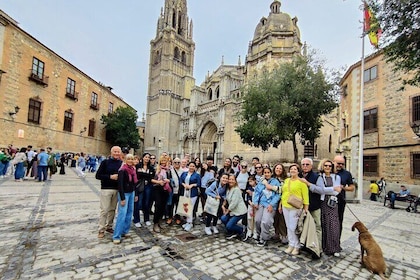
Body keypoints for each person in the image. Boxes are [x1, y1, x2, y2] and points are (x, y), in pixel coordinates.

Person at [280, 164, 309, 255]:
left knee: (293, 227)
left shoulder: (301, 182)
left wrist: (305, 209)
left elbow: (306, 197)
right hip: (285, 205)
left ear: (298, 171)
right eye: (291, 169)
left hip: (295, 207)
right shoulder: (287, 180)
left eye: (295, 169)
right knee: (288, 226)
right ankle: (291, 244)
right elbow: (283, 193)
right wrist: (280, 205)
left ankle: (297, 246)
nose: (293, 170)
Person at [316, 159, 342, 257]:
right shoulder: (320, 177)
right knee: (324, 224)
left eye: (329, 166)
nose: (327, 167)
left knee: (334, 225)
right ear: (322, 166)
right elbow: (321, 190)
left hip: (332, 203)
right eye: (326, 165)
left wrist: (328, 190)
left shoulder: (336, 177)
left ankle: (334, 247)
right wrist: (331, 189)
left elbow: (337, 191)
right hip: (323, 203)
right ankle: (325, 246)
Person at [95, 146, 123, 239]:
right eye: (115, 151)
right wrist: (110, 177)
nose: (116, 153)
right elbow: (98, 175)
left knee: (112, 210)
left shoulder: (121, 163)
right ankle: (101, 229)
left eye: (118, 152)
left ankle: (109, 226)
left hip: (117, 189)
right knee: (104, 210)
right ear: (111, 152)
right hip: (106, 188)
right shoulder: (105, 162)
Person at [113, 154, 138, 244]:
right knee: (122, 214)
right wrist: (122, 198)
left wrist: (135, 194)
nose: (130, 161)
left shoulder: (133, 170)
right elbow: (120, 185)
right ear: (125, 160)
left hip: (132, 192)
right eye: (129, 159)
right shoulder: (122, 170)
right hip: (124, 194)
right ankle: (116, 235)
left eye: (132, 159)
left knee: (129, 212)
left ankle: (125, 231)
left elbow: (134, 183)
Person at [252, 166, 281, 247]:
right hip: (261, 203)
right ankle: (258, 234)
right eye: (265, 173)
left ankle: (264, 238)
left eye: (268, 172)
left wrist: (272, 204)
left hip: (270, 204)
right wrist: (255, 202)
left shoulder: (275, 182)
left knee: (266, 221)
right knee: (257, 220)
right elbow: (257, 192)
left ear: (271, 173)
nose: (267, 174)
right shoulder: (261, 182)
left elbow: (278, 195)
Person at [333, 155, 354, 239]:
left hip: (340, 200)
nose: (340, 165)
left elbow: (352, 187)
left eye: (342, 164)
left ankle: (337, 242)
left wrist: (343, 187)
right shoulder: (328, 170)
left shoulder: (347, 174)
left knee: (338, 222)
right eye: (338, 163)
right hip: (326, 200)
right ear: (333, 162)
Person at [221, 174, 247, 240]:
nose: (231, 181)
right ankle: (233, 231)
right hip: (232, 211)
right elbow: (227, 199)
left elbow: (233, 203)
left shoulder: (236, 190)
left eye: (232, 179)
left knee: (229, 226)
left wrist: (227, 211)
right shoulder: (228, 189)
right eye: (229, 179)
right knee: (223, 218)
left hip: (239, 211)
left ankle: (241, 230)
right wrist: (223, 205)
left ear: (235, 181)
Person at [133, 153, 155, 228]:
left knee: (146, 203)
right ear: (143, 158)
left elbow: (151, 177)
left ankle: (146, 219)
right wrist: (146, 175)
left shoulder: (151, 167)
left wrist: (142, 174)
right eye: (146, 157)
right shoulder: (137, 166)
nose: (147, 158)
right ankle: (136, 220)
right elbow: (137, 175)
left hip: (148, 186)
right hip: (139, 186)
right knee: (138, 203)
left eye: (148, 157)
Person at [179, 161, 201, 232]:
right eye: (190, 166)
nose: (191, 167)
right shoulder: (184, 173)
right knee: (186, 207)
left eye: (193, 166)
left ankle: (190, 222)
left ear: (195, 167)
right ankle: (187, 221)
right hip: (185, 192)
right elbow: (180, 180)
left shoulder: (197, 175)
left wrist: (192, 185)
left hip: (193, 194)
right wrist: (184, 185)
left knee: (190, 208)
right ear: (188, 166)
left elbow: (199, 184)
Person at [152, 155, 171, 233]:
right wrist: (159, 182)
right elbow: (151, 179)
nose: (163, 163)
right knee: (158, 206)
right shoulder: (156, 169)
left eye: (165, 161)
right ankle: (155, 223)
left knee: (163, 206)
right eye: (162, 161)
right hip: (158, 189)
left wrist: (168, 180)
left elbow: (170, 179)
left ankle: (160, 221)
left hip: (165, 189)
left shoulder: (168, 170)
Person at [272, 163, 288, 245]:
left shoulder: (285, 180)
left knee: (282, 219)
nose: (278, 170)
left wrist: (280, 204)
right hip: (273, 200)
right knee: (275, 218)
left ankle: (284, 235)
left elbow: (284, 192)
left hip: (282, 201)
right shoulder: (272, 178)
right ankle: (276, 233)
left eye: (280, 168)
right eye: (277, 168)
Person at [169, 157, 184, 225]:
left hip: (179, 190)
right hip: (171, 190)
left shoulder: (183, 171)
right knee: (171, 204)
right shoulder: (170, 170)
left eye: (178, 162)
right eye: (175, 162)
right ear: (173, 163)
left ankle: (177, 217)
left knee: (178, 204)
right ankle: (170, 217)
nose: (177, 164)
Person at [243, 175, 257, 241]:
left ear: (255, 181)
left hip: (256, 205)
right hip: (250, 205)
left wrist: (252, 194)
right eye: (249, 182)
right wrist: (250, 202)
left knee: (255, 219)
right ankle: (249, 230)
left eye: (251, 181)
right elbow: (247, 197)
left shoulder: (258, 188)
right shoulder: (249, 188)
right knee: (249, 218)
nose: (250, 183)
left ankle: (255, 232)